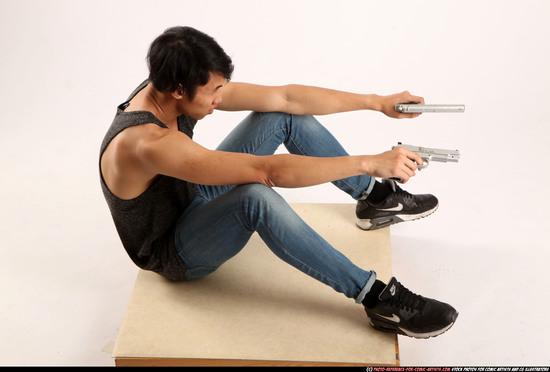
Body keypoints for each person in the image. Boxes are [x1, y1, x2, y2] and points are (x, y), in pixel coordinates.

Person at [100, 26, 457, 339]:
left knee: (281, 115)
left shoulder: (166, 85)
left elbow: (285, 97)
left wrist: (377, 102)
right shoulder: (147, 142)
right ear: (178, 89)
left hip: (192, 195)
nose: (220, 99)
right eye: (213, 92)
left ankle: (376, 198)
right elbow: (267, 172)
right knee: (255, 197)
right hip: (175, 248)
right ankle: (378, 299)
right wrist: (369, 161)